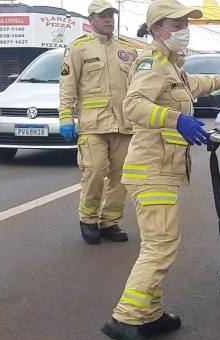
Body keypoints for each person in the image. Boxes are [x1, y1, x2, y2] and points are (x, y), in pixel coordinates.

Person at [101, 0, 220, 340]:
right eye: (177, 25)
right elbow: (133, 106)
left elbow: (195, 84)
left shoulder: (172, 66)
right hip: (150, 170)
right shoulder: (151, 63)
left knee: (159, 243)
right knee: (161, 246)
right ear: (158, 28)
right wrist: (174, 119)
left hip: (160, 170)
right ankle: (126, 318)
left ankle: (151, 314)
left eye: (185, 24)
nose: (183, 30)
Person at [59, 0, 138, 244]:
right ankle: (89, 219)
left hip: (124, 124)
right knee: (94, 172)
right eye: (102, 16)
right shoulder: (78, 48)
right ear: (91, 20)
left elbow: (138, 86)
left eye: (111, 16)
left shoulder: (128, 49)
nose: (108, 20)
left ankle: (109, 222)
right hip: (93, 124)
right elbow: (68, 85)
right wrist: (65, 117)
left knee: (121, 177)